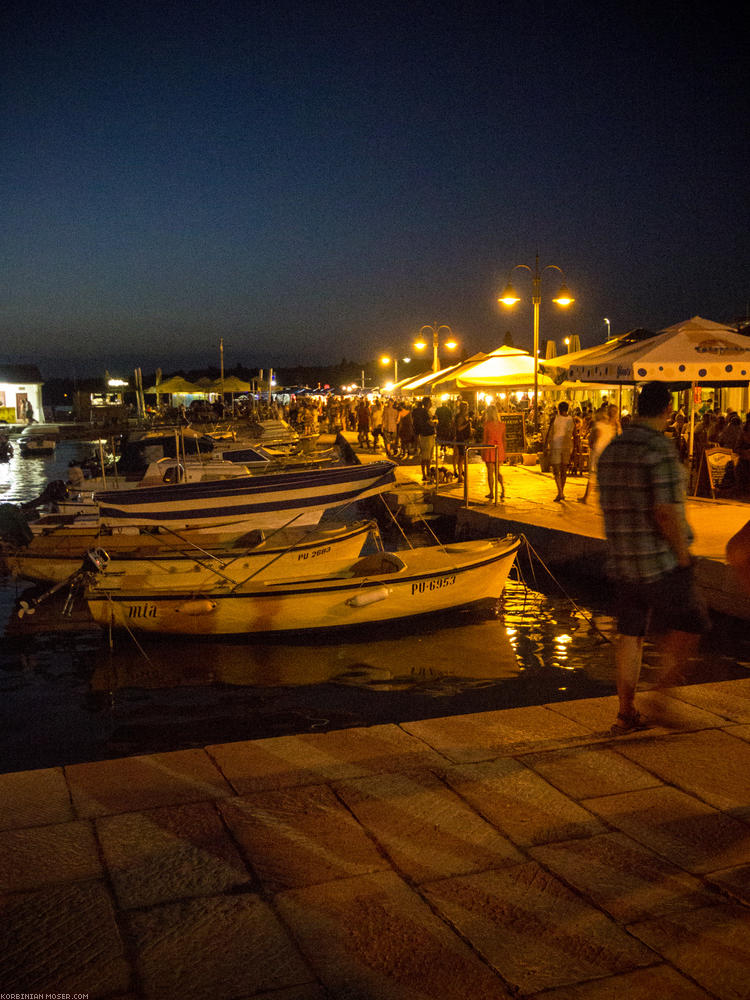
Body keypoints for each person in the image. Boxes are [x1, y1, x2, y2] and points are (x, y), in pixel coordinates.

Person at [597, 381, 710, 735]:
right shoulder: (659, 448)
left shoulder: (614, 448)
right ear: (666, 410)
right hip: (659, 560)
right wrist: (683, 555)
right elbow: (665, 512)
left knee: (630, 635)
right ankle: (659, 699)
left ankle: (625, 712)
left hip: (622, 560)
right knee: (693, 623)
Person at [580, 404, 619, 504]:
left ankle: (586, 497)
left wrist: (591, 443)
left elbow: (594, 438)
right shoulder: (614, 425)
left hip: (599, 451)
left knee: (593, 475)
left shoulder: (600, 424)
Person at [544, 401, 574, 501]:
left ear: (559, 409)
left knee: (557, 471)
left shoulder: (555, 418)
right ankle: (561, 492)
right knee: (563, 471)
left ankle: (560, 492)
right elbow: (571, 434)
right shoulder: (571, 420)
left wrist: (545, 446)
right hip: (566, 447)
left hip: (556, 446)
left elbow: (549, 433)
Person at [481, 404, 506, 500]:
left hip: (489, 448)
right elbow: (504, 440)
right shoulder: (502, 425)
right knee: (497, 471)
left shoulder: (487, 425)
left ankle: (491, 492)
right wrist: (504, 452)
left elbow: (485, 439)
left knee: (490, 472)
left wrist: (482, 451)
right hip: (499, 449)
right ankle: (503, 488)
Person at [412, 396, 436, 481]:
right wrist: (435, 422)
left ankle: (427, 473)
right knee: (426, 457)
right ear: (428, 403)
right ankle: (425, 474)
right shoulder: (425, 412)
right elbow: (430, 423)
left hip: (426, 435)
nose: (432, 403)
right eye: (430, 402)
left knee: (427, 456)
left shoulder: (425, 412)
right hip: (426, 436)